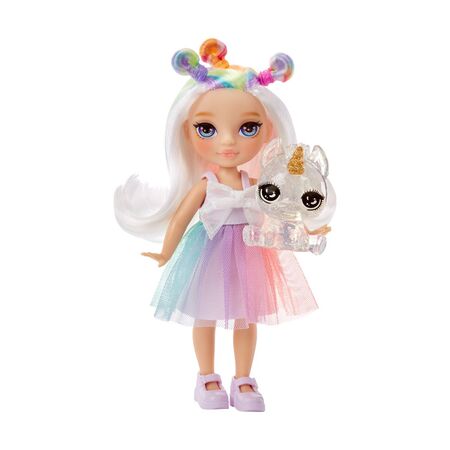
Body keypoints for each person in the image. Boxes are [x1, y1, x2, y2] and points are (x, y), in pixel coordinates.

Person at [114, 38, 328, 412]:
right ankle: (206, 376)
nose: (227, 141)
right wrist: (166, 251)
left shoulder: (256, 184)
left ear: (268, 131)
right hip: (209, 251)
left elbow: (279, 211)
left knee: (246, 319)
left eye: (248, 128)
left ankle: (243, 378)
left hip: (250, 252)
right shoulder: (206, 184)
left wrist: (306, 230)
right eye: (208, 129)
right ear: (187, 132)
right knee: (206, 315)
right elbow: (181, 217)